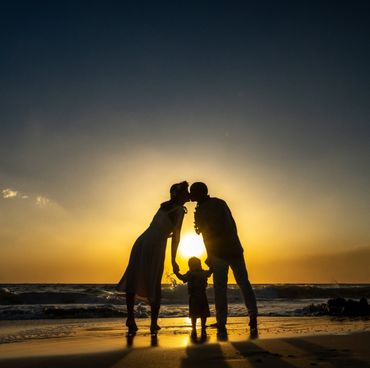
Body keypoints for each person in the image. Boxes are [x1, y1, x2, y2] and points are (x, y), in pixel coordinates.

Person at [116, 181, 189, 335]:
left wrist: (165, 234)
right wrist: (174, 259)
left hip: (142, 241)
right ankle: (153, 323)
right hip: (155, 245)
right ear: (179, 194)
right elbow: (176, 237)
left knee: (133, 277)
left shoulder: (163, 206)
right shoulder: (179, 210)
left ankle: (130, 318)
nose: (188, 195)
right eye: (186, 192)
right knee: (154, 281)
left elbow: (159, 226)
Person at [189, 182, 258, 336]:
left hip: (218, 253)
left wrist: (209, 256)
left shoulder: (200, 211)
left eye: (192, 193)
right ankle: (253, 315)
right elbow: (233, 225)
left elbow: (207, 236)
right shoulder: (221, 202)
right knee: (244, 283)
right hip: (235, 248)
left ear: (198, 193)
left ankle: (221, 321)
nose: (190, 195)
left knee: (220, 288)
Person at [174, 257, 212, 339]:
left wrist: (176, 272)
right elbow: (210, 272)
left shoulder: (190, 273)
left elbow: (182, 278)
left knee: (193, 314)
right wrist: (211, 265)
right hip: (202, 295)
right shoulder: (203, 273)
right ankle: (203, 325)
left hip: (193, 296)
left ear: (190, 265)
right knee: (203, 313)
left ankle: (194, 326)